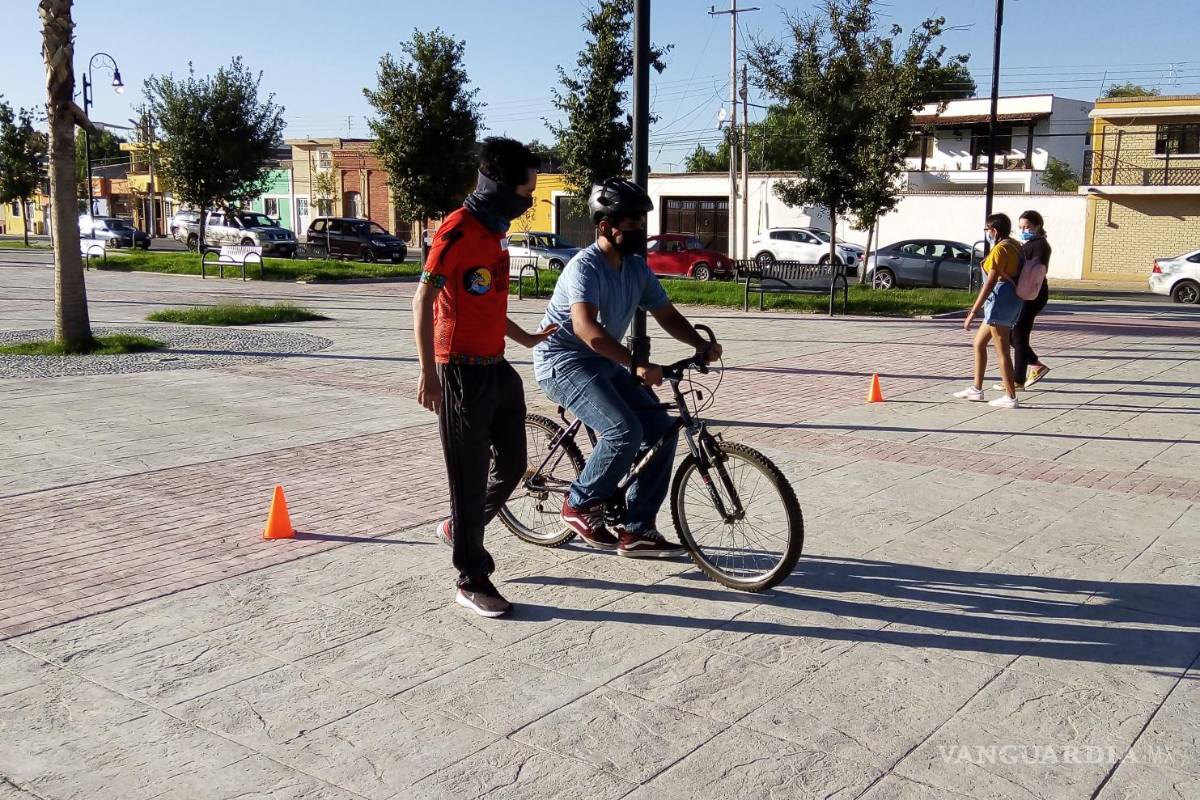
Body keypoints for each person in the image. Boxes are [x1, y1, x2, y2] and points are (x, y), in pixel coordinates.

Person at [533, 177, 722, 557]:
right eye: (633, 224)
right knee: (624, 430)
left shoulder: (637, 268)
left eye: (641, 222)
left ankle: (637, 529)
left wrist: (700, 345)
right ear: (606, 226)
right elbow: (587, 329)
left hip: (603, 361)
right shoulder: (584, 267)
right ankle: (580, 503)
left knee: (662, 431)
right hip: (563, 361)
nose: (640, 231)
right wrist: (635, 364)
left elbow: (667, 315)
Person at [413, 137, 557, 619]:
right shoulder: (455, 231)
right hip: (459, 375)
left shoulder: (496, 233)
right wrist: (428, 374)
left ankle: (460, 527)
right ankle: (471, 577)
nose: (529, 198)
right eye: (526, 188)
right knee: (468, 481)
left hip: (497, 368)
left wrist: (528, 341)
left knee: (515, 462)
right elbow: (423, 302)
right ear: (499, 185)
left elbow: (490, 304)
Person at [954, 213, 1024, 409]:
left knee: (1002, 351)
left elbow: (990, 281)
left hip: (999, 301)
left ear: (994, 230)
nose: (986, 233)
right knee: (979, 343)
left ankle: (1010, 396)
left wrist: (973, 311)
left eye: (987, 230)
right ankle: (977, 388)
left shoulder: (1001, 250)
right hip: (1009, 300)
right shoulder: (1015, 245)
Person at [1011, 210, 1052, 389]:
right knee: (1013, 335)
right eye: (1021, 227)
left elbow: (1036, 270)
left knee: (1019, 334)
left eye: (1027, 226)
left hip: (1033, 294)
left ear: (1037, 226)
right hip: (1024, 294)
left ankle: (1017, 380)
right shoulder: (1029, 243)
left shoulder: (1040, 245)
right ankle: (1035, 364)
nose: (1024, 229)